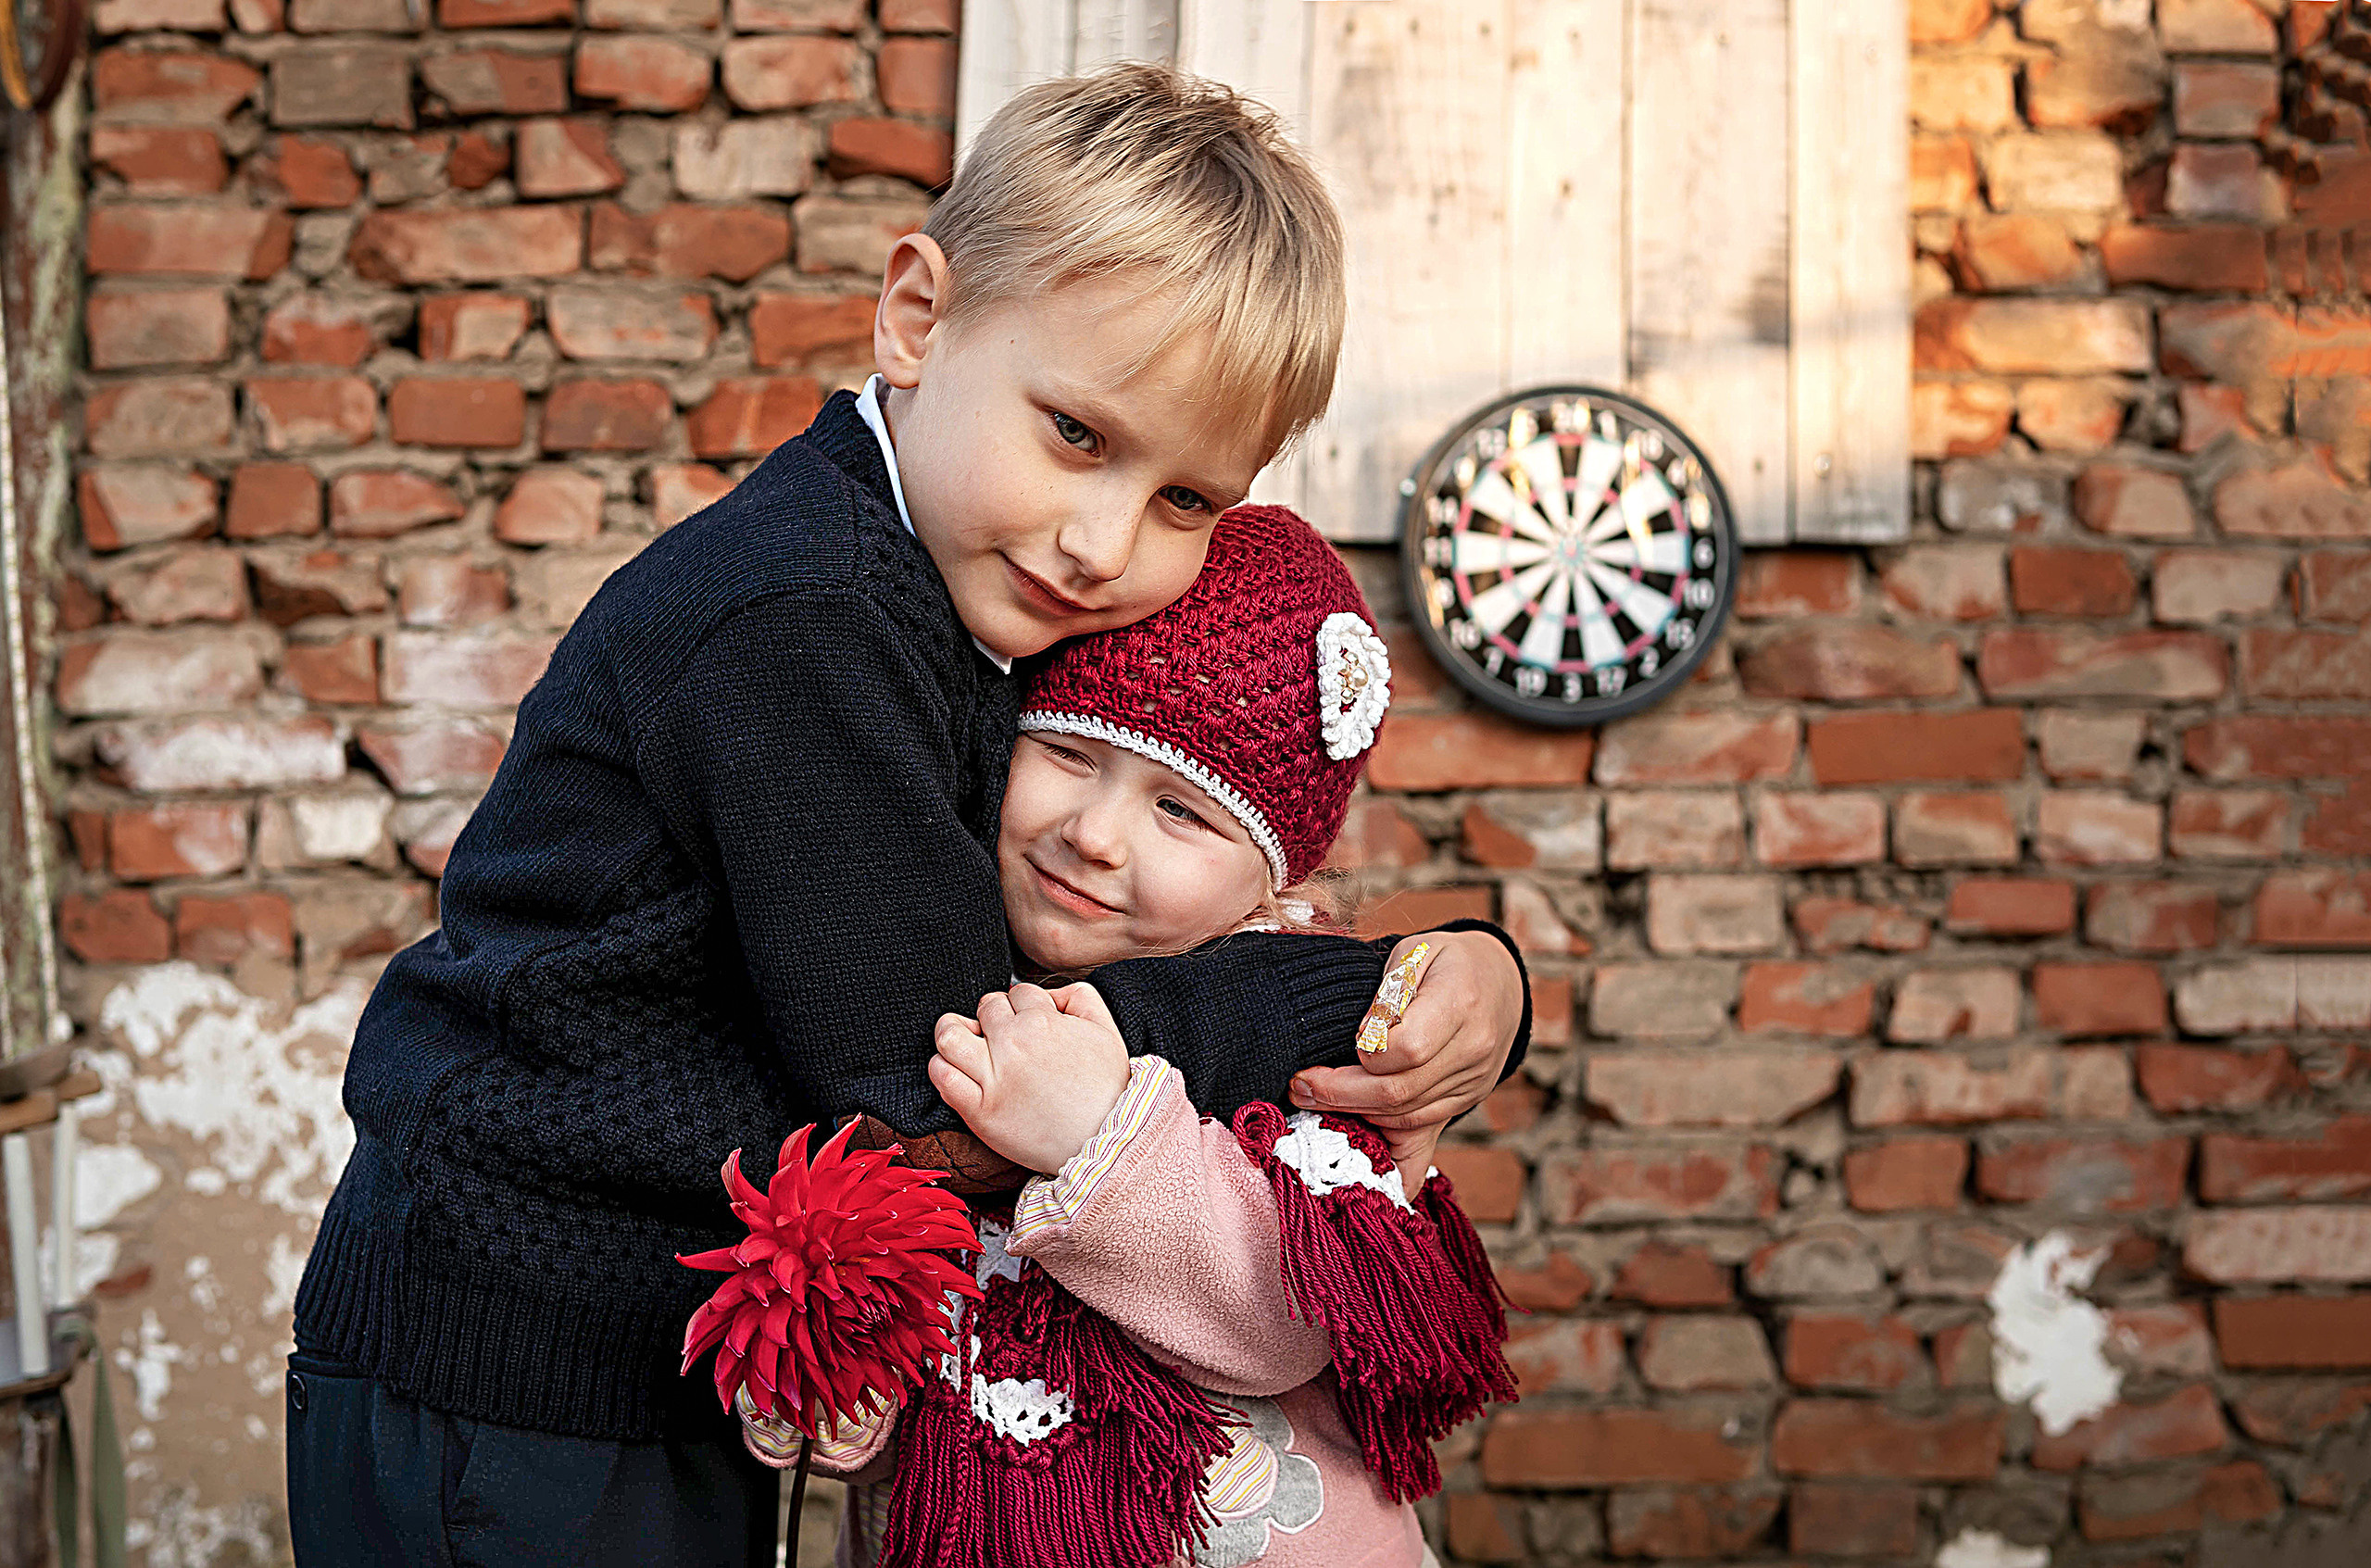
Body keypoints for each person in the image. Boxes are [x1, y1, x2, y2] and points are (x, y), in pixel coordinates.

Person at [284, 64, 1528, 1567]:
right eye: (1077, 433)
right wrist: (1354, 985)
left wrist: (1462, 966)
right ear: (917, 319)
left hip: (622, 1370)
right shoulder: (806, 613)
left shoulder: (950, 592)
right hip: (511, 1382)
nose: (1101, 539)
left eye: (1187, 500)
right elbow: (958, 1059)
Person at [732, 505, 1512, 1568]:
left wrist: (1098, 1133)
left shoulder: (1308, 1046)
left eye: (1184, 812)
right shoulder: (915, 988)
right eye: (1063, 753)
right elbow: (944, 1387)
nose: (1092, 836)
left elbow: (1282, 1325)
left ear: (1277, 875)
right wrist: (840, 1379)